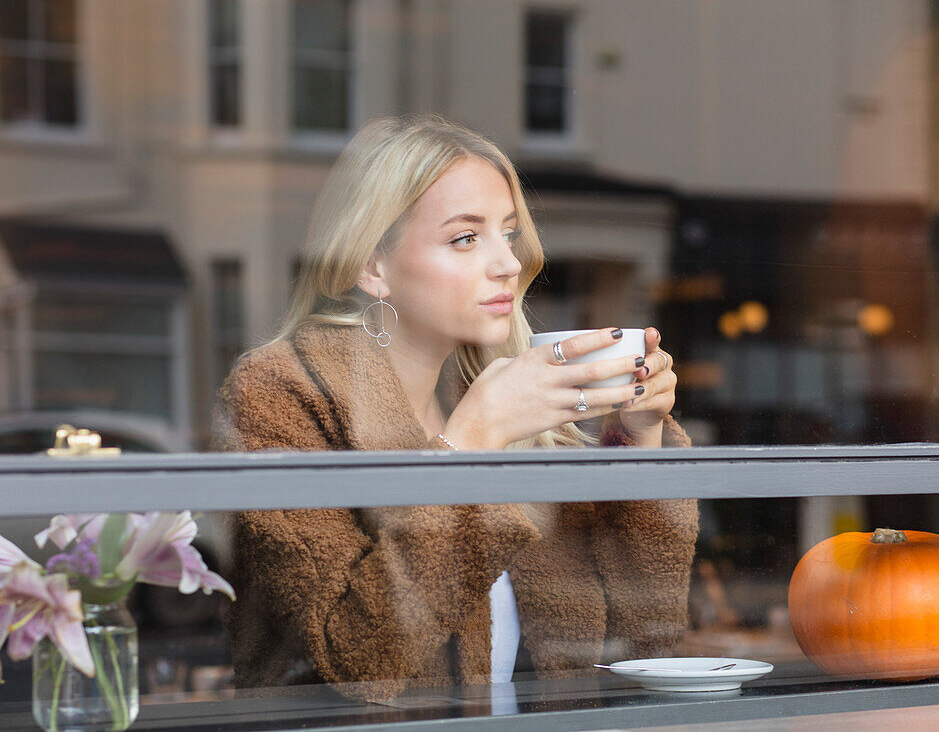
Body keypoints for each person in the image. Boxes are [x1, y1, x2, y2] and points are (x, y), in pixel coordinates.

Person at [214, 115, 698, 702]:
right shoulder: (282, 392)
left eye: (509, 233)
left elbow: (644, 640)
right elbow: (363, 660)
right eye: (465, 238)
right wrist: (474, 436)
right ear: (373, 267)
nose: (508, 264)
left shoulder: (504, 404)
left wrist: (637, 445)